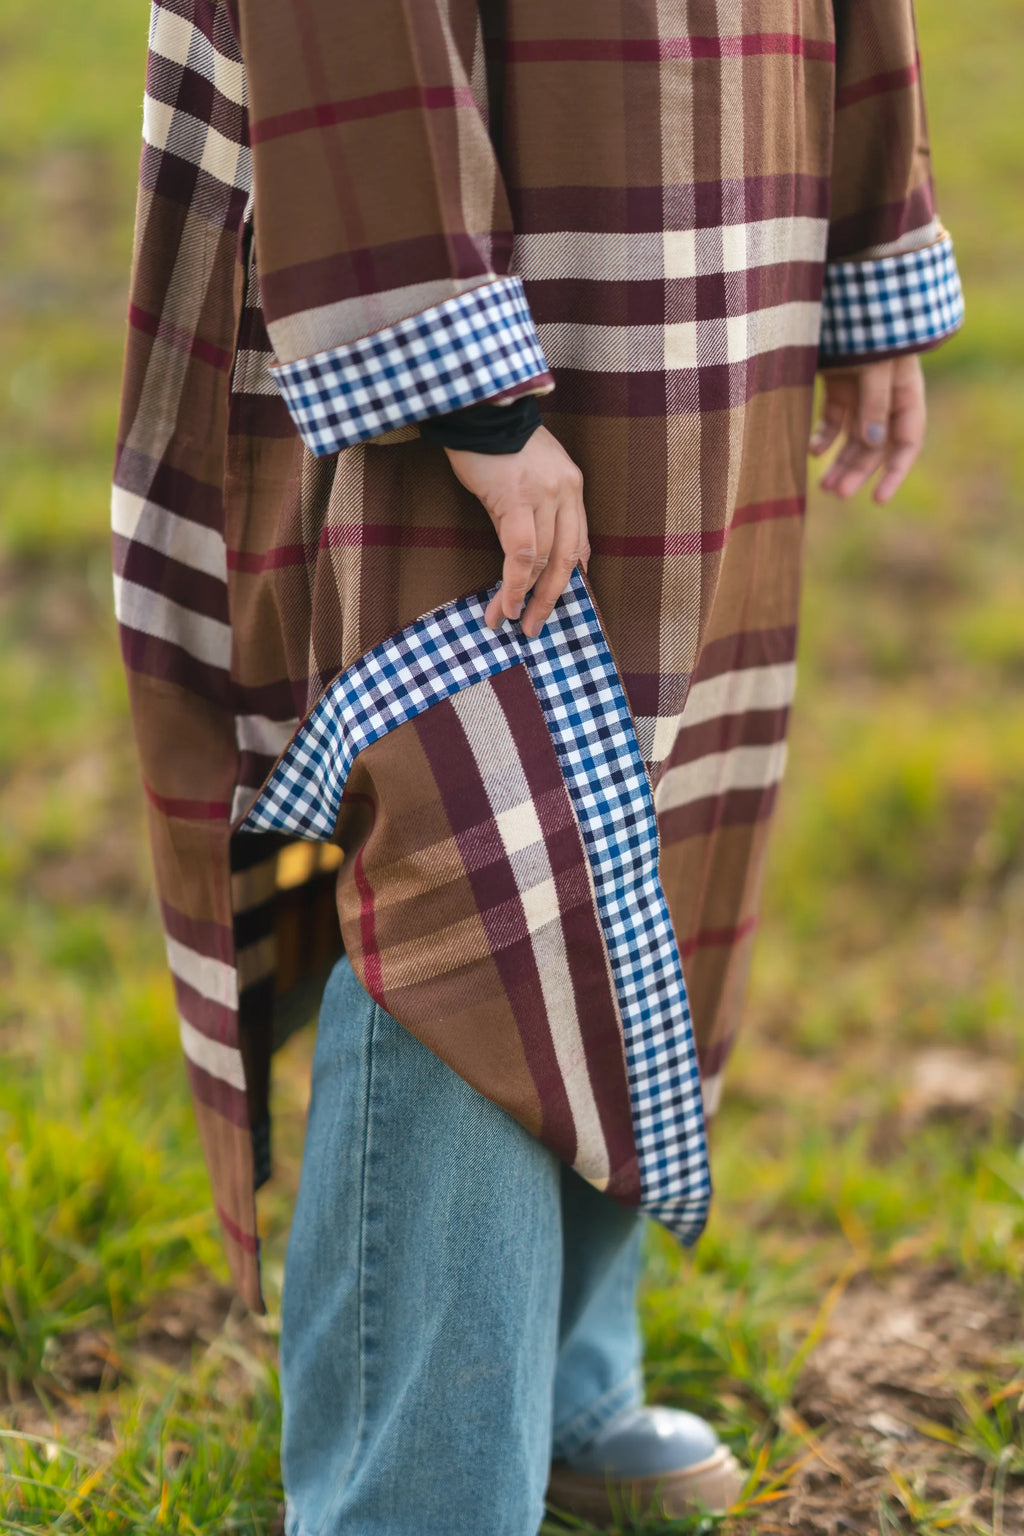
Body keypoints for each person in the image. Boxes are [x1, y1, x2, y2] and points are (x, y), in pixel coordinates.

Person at [112, 2, 963, 1532]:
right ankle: (415, 1494)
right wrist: (459, 371)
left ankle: (556, 1384)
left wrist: (868, 229)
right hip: (497, 220)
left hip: (730, 219)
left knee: (658, 803)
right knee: (478, 833)